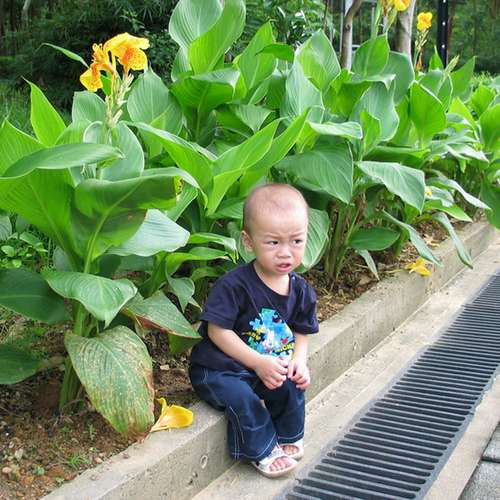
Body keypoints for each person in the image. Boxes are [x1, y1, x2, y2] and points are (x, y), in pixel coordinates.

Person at [189, 183, 319, 478]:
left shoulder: (300, 289)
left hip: (264, 365)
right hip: (220, 369)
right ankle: (262, 449)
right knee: (242, 398)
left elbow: (303, 329)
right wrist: (258, 362)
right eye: (273, 243)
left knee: (291, 381)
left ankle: (288, 434)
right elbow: (217, 332)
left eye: (296, 241)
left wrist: (299, 360)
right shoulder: (234, 286)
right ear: (248, 241)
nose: (286, 253)